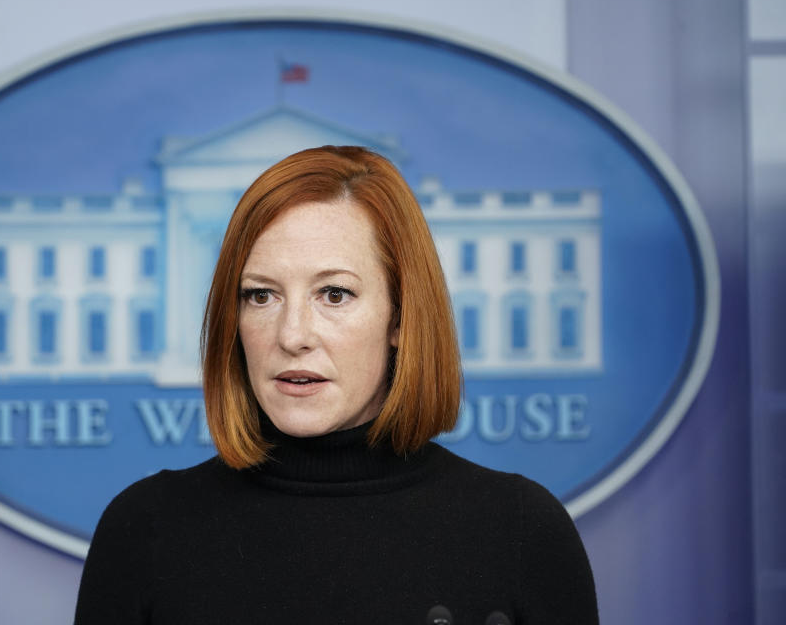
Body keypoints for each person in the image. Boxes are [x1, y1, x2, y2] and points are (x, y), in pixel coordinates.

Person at [74, 146, 598, 624]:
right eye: (261, 296)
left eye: (334, 294)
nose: (292, 335)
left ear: (400, 319)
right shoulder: (144, 529)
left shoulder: (521, 530)